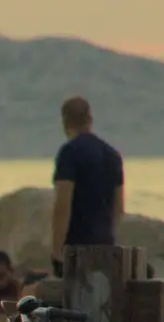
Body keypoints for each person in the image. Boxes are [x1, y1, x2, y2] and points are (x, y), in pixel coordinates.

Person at [50, 96, 124, 277]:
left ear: (65, 122)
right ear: (90, 120)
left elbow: (63, 205)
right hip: (105, 245)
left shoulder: (69, 152)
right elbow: (119, 208)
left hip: (77, 246)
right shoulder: (112, 155)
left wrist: (57, 251)